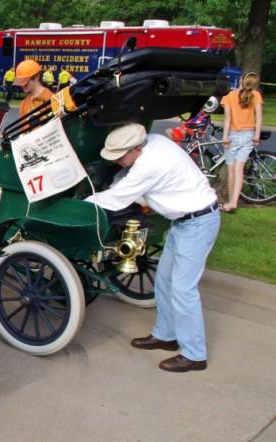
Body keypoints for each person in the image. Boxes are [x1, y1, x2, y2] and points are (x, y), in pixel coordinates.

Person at [85, 123, 220, 372]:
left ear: (136, 149)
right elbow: (125, 180)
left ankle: (194, 354)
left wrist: (83, 204)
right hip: (185, 222)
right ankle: (166, 335)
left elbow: (118, 198)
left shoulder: (149, 165)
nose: (118, 162)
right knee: (164, 281)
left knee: (183, 289)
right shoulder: (153, 141)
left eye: (120, 157)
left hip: (197, 222)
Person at [220, 72, 264, 212]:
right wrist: (256, 135)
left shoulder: (228, 97)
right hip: (248, 136)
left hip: (232, 136)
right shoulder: (256, 95)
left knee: (231, 170)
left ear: (240, 80)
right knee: (239, 170)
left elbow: (227, 119)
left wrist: (225, 136)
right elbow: (259, 117)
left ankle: (231, 202)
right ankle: (233, 202)